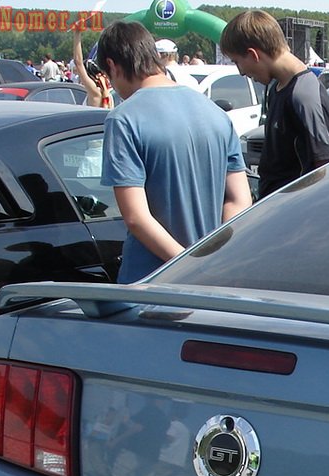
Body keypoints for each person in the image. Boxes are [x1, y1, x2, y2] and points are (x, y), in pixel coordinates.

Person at [95, 20, 251, 283]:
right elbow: (240, 199)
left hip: (150, 282)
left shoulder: (123, 119)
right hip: (212, 277)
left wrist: (187, 264)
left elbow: (136, 217)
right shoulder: (215, 113)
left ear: (112, 66)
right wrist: (211, 259)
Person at [220, 10, 329, 199]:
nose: (241, 72)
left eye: (237, 62)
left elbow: (325, 167)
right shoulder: (276, 88)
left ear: (253, 54)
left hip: (295, 209)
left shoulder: (303, 95)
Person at [72, 26, 113, 109]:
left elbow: (78, 62)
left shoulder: (94, 92)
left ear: (89, 76)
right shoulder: (108, 94)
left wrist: (77, 33)